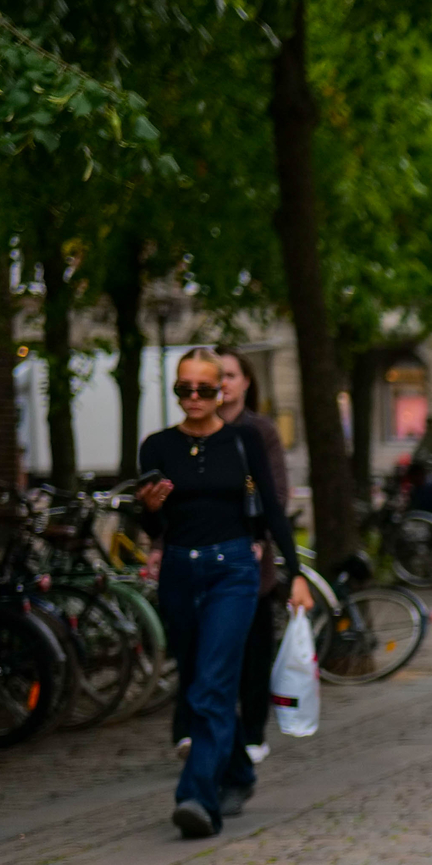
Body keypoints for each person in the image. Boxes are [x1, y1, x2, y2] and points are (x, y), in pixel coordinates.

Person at [138, 350, 310, 838]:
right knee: (196, 681)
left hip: (234, 570)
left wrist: (295, 573)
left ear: (223, 391)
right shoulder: (156, 446)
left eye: (205, 389)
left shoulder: (243, 440)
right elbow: (153, 523)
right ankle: (237, 771)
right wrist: (149, 511)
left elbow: (274, 510)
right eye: (184, 389)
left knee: (213, 682)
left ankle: (196, 796)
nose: (194, 398)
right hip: (178, 568)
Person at [215, 348, 296, 782]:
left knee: (252, 648)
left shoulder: (259, 431)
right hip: (204, 556)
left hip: (249, 557)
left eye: (230, 375)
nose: (223, 383)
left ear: (247, 381)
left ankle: (250, 731)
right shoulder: (192, 433)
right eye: (217, 375)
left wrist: (263, 537)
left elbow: (275, 493)